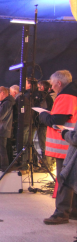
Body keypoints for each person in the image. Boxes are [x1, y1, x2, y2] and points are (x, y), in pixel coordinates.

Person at [39, 70, 77, 225]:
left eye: (53, 84)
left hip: (65, 144)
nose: (52, 87)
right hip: (70, 143)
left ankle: (61, 213)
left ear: (59, 83)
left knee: (64, 178)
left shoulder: (66, 96)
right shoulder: (72, 94)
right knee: (72, 178)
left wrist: (43, 116)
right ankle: (73, 210)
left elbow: (57, 120)